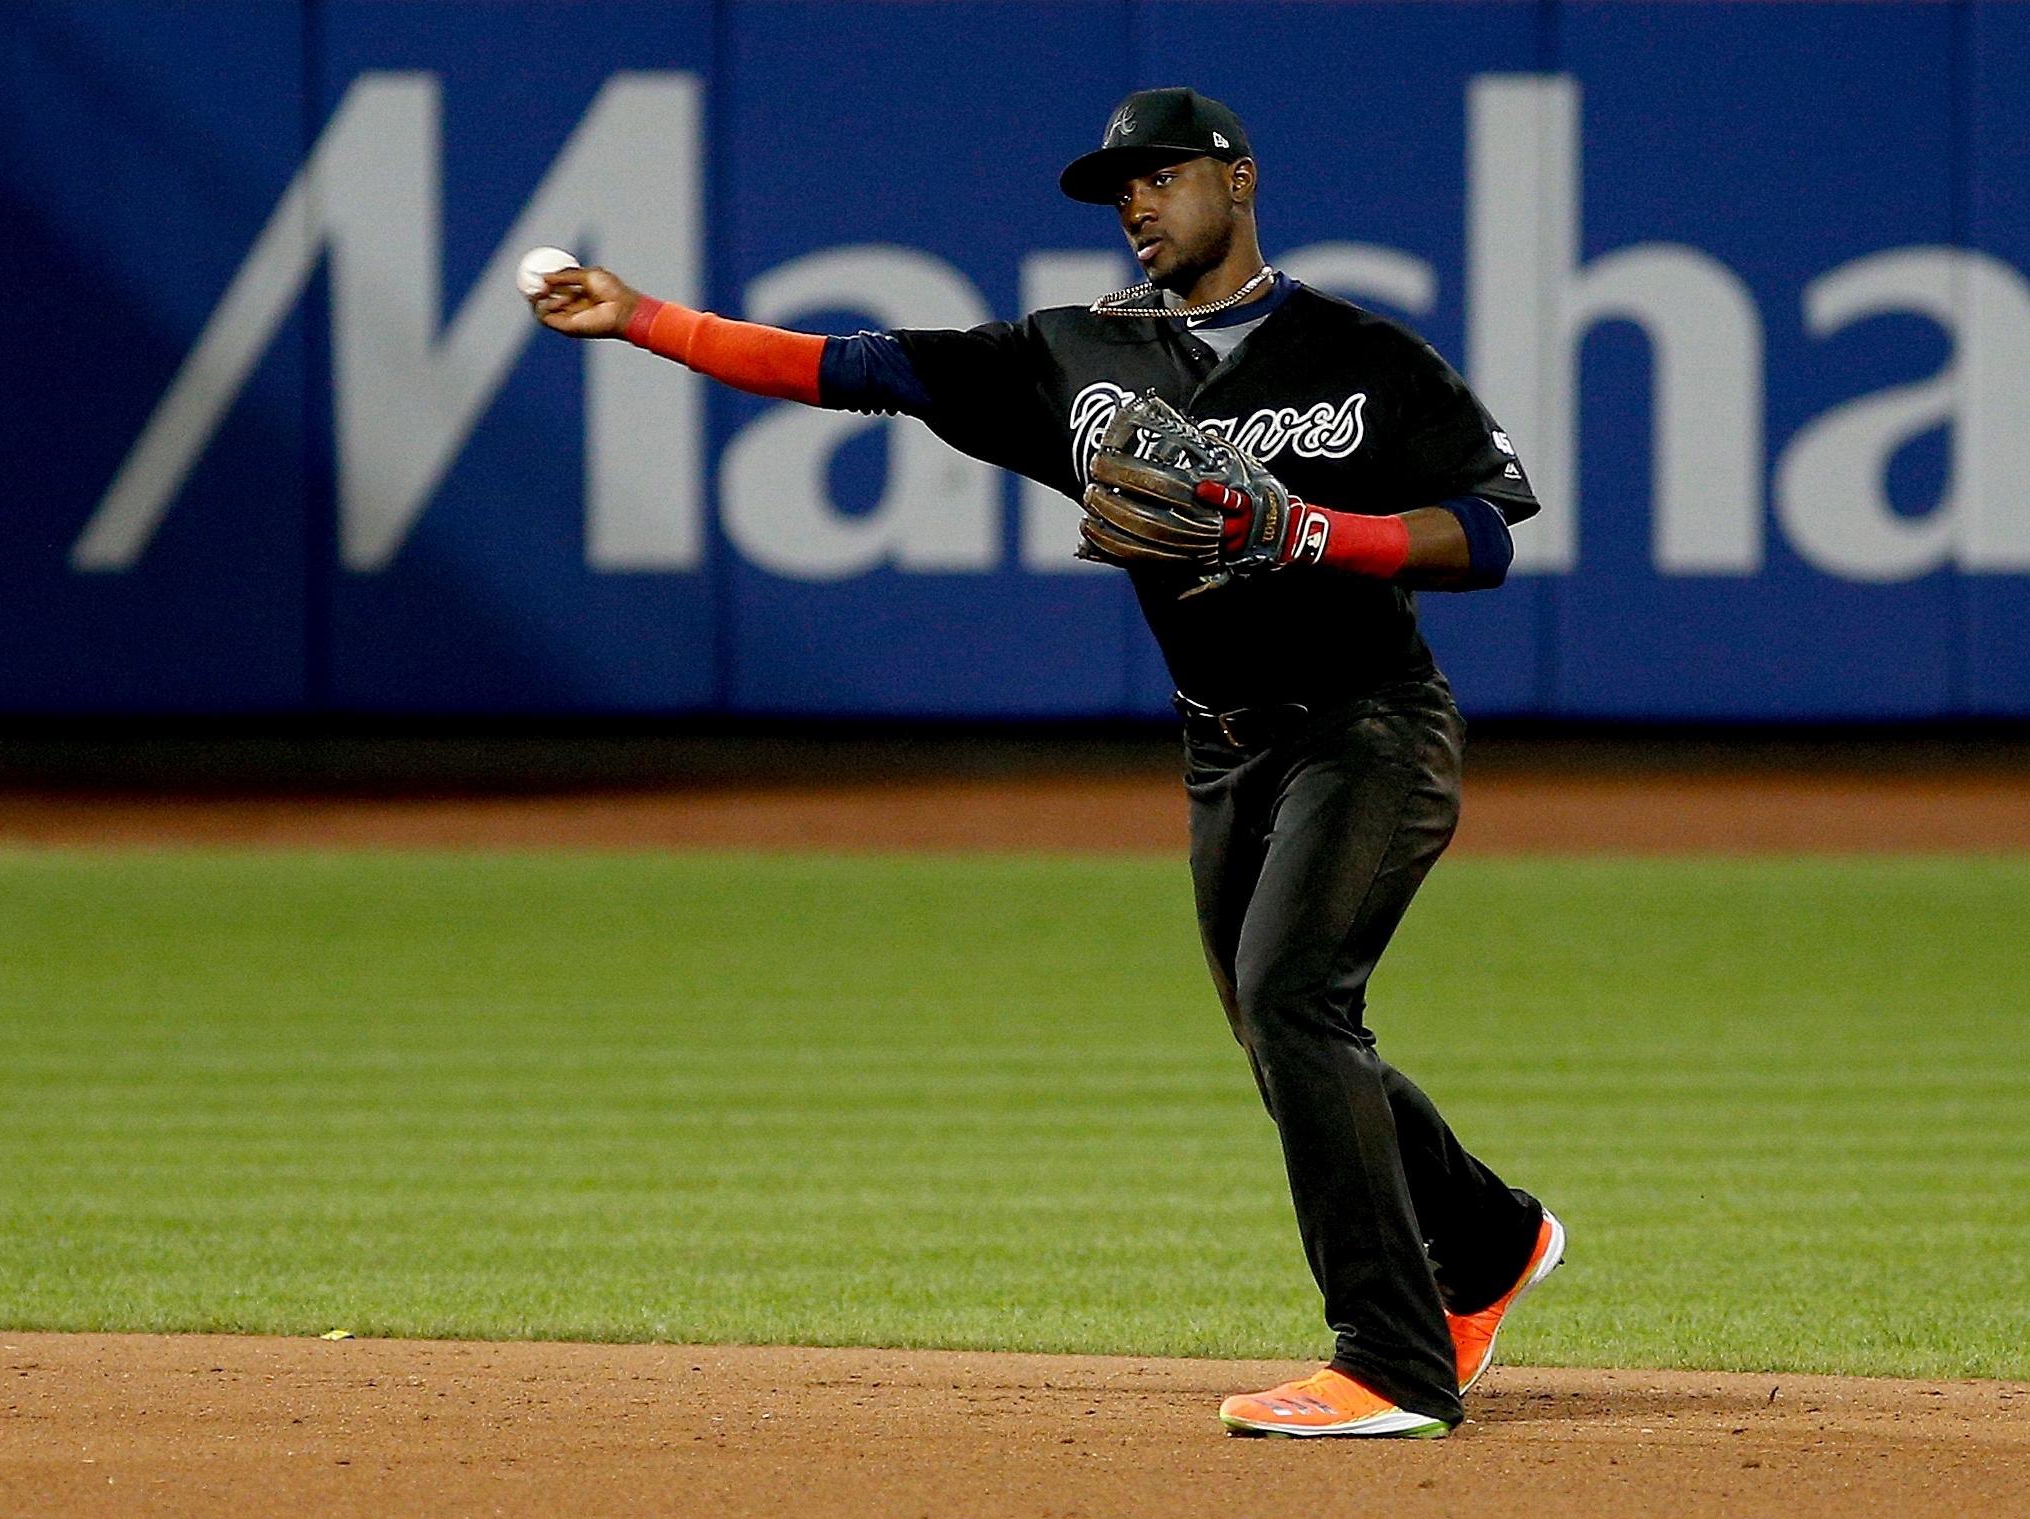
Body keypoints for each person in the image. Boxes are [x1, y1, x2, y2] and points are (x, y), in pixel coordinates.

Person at [531, 86, 1564, 1440]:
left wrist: (1316, 533)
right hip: (1223, 748)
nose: (1133, 201)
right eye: (1113, 186)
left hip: (1369, 723)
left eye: (1158, 175)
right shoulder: (1070, 357)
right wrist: (644, 320)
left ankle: (1391, 1361)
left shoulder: (1360, 354)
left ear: (1236, 179)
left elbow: (1485, 534)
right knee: (1275, 1024)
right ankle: (1487, 1242)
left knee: (1295, 1001)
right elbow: (850, 367)